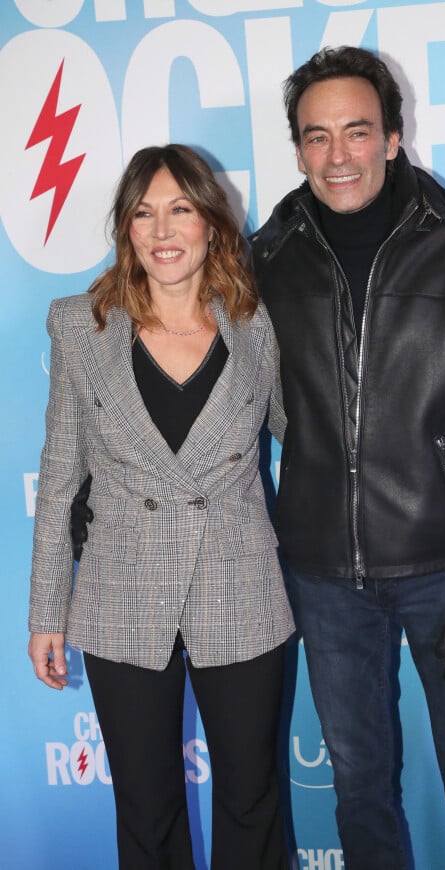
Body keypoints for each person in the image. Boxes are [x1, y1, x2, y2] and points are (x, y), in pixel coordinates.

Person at [250, 46, 445, 869]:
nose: (338, 155)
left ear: (393, 137)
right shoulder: (266, 258)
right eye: (317, 137)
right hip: (322, 578)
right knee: (359, 790)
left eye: (357, 132)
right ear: (299, 148)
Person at [28, 144, 295, 870]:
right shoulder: (81, 325)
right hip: (122, 591)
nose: (162, 229)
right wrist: (47, 613)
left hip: (239, 586)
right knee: (145, 810)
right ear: (127, 230)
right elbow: (59, 477)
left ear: (213, 223)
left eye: (181, 208)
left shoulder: (258, 322)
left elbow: (304, 441)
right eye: (144, 213)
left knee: (252, 799)